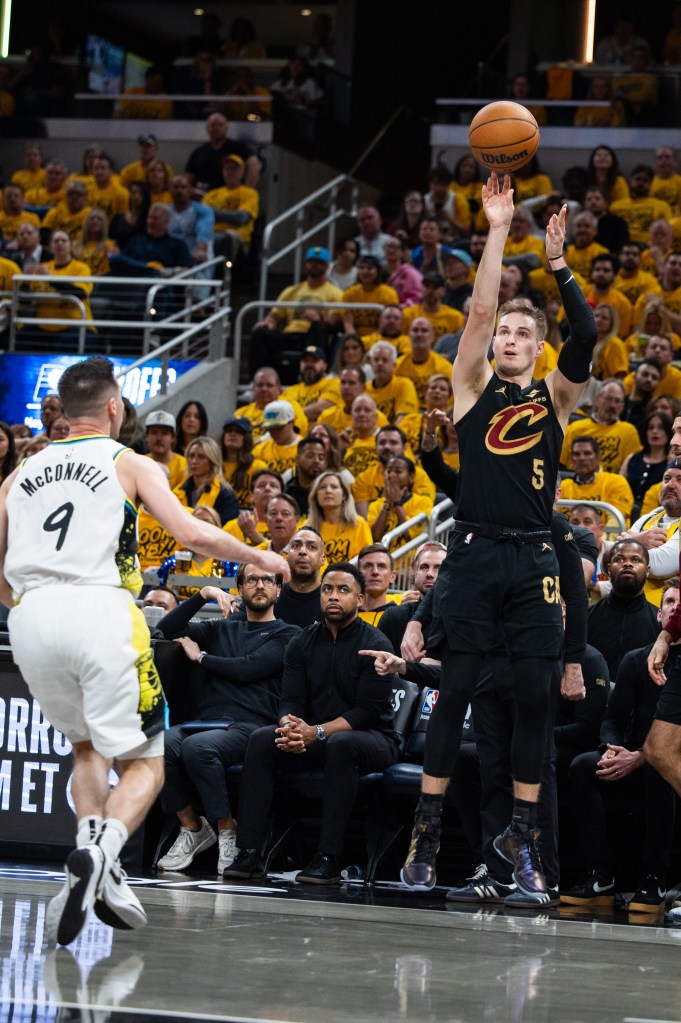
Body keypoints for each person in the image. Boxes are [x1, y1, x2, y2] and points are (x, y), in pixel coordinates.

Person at [0, 356, 288, 946]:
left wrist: (16, 602)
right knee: (146, 763)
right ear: (114, 408)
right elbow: (190, 533)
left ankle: (90, 862)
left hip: (31, 618)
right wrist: (259, 557)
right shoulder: (127, 461)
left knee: (86, 749)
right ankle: (104, 855)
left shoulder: (23, 469)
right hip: (100, 610)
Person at [399, 172, 597, 901]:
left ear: (537, 350)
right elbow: (480, 307)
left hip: (535, 555)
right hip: (476, 552)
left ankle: (523, 838)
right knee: (454, 691)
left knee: (534, 698)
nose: (508, 336)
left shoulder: (556, 396)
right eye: (503, 332)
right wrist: (495, 227)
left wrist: (557, 265)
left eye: (522, 332)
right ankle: (424, 831)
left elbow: (587, 331)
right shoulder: (470, 387)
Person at [223, 561, 399, 884]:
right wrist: (290, 726)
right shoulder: (302, 642)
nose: (333, 596)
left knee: (342, 744)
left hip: (373, 739)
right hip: (315, 736)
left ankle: (328, 857)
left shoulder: (376, 644)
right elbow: (289, 699)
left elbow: (366, 713)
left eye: (343, 590)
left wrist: (316, 731)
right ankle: (249, 852)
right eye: (328, 589)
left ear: (359, 599)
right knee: (263, 739)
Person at [156, 565, 298, 874]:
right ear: (241, 588)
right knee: (156, 745)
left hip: (252, 725)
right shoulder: (219, 628)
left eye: (267, 580)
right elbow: (167, 629)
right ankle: (193, 828)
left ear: (277, 589)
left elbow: (249, 668)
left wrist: (202, 658)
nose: (259, 585)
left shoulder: (289, 634)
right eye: (251, 579)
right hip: (207, 721)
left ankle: (227, 829)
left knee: (198, 748)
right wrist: (203, 594)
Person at [563, 581, 679, 913]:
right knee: (584, 766)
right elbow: (613, 716)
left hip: (666, 761)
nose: (674, 608)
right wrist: (611, 747)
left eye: (679, 605)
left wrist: (642, 757)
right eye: (668, 602)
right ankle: (600, 875)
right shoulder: (635, 660)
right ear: (660, 615)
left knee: (660, 768)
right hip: (630, 754)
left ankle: (654, 878)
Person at [248, 246, 342, 380]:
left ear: (327, 266)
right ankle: (256, 381)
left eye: (319, 262)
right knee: (260, 332)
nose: (315, 265)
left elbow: (335, 321)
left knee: (318, 327)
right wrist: (268, 322)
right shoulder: (291, 290)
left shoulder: (335, 293)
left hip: (312, 336)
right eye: (312, 261)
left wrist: (319, 318)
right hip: (289, 335)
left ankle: (311, 378)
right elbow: (275, 315)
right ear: (306, 264)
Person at [586, 540, 660, 678]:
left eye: (636, 559)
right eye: (619, 559)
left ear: (647, 571)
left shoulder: (660, 624)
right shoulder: (587, 617)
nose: (627, 563)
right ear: (608, 570)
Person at [352, 424, 435, 519]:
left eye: (393, 442)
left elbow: (422, 518)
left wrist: (397, 502)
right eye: (382, 443)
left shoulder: (418, 476)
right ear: (376, 447)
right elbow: (365, 520)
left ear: (404, 448)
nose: (387, 447)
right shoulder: (363, 478)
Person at [378, 541, 447, 654]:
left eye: (438, 568)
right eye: (424, 567)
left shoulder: (460, 617)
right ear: (415, 573)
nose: (430, 573)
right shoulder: (394, 617)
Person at [561, 379, 643, 473]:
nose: (612, 405)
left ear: (622, 406)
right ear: (597, 399)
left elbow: (633, 470)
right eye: (608, 399)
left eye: (617, 401)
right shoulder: (575, 428)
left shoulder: (629, 432)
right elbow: (560, 464)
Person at [560, 436, 634, 524]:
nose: (581, 458)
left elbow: (615, 524)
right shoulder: (562, 486)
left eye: (587, 453)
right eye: (576, 454)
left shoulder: (616, 482)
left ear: (599, 457)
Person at [305, 470, 372, 563]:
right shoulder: (306, 528)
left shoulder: (359, 524)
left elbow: (367, 560)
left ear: (344, 495)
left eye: (334, 487)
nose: (328, 491)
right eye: (323, 487)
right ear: (316, 496)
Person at [367, 455, 433, 548]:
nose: (391, 475)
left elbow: (409, 537)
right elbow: (375, 538)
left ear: (411, 477)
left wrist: (398, 503)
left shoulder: (423, 502)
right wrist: (387, 505)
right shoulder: (375, 505)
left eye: (398, 471)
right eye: (388, 471)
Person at [185, 112, 261, 191]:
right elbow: (189, 179)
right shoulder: (198, 152)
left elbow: (254, 164)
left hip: (231, 197)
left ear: (226, 128)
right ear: (207, 128)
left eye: (220, 125)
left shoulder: (238, 148)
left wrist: (246, 190)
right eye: (213, 125)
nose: (216, 128)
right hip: (203, 198)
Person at [173, 436, 238, 526]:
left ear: (212, 461)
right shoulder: (178, 491)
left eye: (201, 457)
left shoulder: (225, 494)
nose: (194, 461)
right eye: (191, 456)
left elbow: (228, 529)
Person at [203, 154, 259, 259]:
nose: (230, 172)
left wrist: (214, 214)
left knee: (224, 239)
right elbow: (203, 216)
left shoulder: (250, 193)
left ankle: (226, 273)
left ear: (242, 172)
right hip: (212, 236)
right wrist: (227, 216)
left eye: (234, 169)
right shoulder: (212, 194)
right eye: (227, 168)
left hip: (237, 240)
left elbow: (241, 218)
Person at [620, 411, 672, 515]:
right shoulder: (632, 458)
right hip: (626, 512)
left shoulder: (671, 462)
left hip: (656, 514)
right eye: (650, 428)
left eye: (660, 428)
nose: (655, 431)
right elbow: (619, 486)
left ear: (669, 432)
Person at [235, 367, 308, 441]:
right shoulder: (241, 412)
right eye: (260, 385)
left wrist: (258, 442)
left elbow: (294, 432)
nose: (264, 389)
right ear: (253, 388)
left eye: (269, 385)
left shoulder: (289, 406)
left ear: (279, 389)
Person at [274, 526, 325, 628]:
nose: (302, 551)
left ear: (322, 559)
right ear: (287, 556)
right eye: (296, 545)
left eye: (312, 547)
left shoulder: (332, 600)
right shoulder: (272, 595)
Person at [341, 255, 399, 337]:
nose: (365, 271)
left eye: (369, 268)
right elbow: (347, 322)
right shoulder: (349, 293)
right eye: (361, 268)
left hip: (381, 337)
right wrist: (355, 340)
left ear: (378, 271)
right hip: (354, 338)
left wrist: (369, 340)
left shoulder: (389, 293)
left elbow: (388, 324)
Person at [282, 345, 341, 424]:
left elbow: (322, 408)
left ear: (325, 366)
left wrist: (291, 416)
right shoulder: (289, 391)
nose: (309, 364)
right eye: (306, 361)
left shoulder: (333, 383)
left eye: (314, 361)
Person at [220, 416, 266, 509]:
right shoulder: (214, 464)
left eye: (239, 431)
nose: (233, 434)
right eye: (229, 430)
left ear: (247, 438)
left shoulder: (258, 466)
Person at [356, 543, 402, 626]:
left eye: (381, 566)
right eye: (368, 566)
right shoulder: (346, 613)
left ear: (392, 576)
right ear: (357, 574)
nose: (375, 572)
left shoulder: (401, 616)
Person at [252, 400, 302, 476]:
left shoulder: (304, 448)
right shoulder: (259, 451)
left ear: (292, 422)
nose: (274, 432)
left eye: (279, 428)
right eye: (271, 428)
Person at [144, 409, 187, 490]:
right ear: (146, 436)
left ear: (173, 437)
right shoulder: (140, 463)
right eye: (154, 432)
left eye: (164, 433)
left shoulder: (184, 466)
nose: (159, 438)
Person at [284, 435, 327, 515]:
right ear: (297, 460)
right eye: (310, 456)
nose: (316, 461)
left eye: (321, 457)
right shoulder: (287, 491)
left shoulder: (329, 491)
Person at [622, 360, 664, 430]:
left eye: (654, 377)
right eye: (645, 374)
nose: (649, 379)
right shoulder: (619, 402)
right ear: (634, 376)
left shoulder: (654, 409)